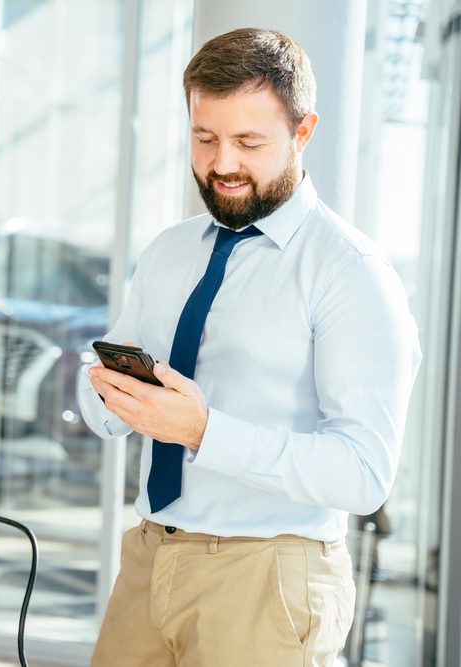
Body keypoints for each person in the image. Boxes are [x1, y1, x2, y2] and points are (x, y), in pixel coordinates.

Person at [77, 27, 422, 666]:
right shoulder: (170, 251)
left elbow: (364, 474)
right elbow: (110, 373)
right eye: (205, 139)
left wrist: (204, 430)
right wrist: (106, 393)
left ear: (303, 131)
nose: (223, 163)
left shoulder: (351, 273)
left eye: (249, 142)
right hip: (151, 555)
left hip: (270, 577)